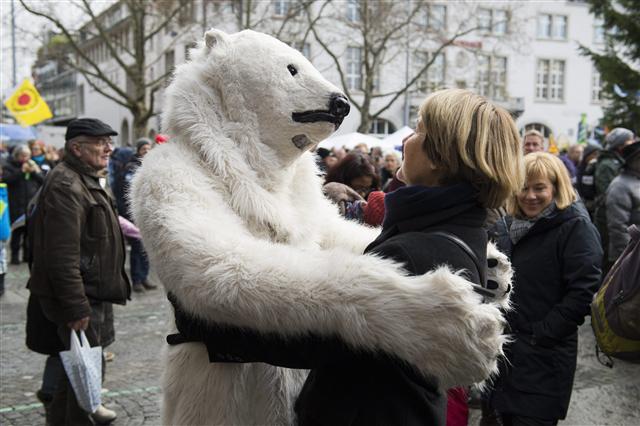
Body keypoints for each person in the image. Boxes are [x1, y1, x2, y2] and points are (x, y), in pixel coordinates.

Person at [167, 88, 524, 425]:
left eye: (418, 131)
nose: (406, 139)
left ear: (439, 158)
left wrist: (205, 317)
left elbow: (317, 338)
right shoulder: (462, 232)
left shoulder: (414, 252)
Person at [25, 118, 131, 425]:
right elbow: (60, 255)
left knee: (78, 374)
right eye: (100, 142)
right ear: (76, 148)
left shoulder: (84, 178)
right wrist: (75, 304)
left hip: (92, 292)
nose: (108, 148)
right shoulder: (66, 185)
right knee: (79, 380)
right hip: (82, 296)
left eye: (109, 142)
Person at [488, 152, 602, 426]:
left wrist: (542, 333)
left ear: (556, 187)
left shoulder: (575, 227)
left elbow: (584, 290)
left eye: (539, 188)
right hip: (507, 355)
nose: (530, 196)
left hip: (544, 357)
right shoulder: (508, 226)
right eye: (524, 187)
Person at [594, 127, 635, 271]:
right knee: (609, 268)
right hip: (607, 222)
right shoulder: (607, 164)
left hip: (615, 220)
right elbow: (608, 194)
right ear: (620, 145)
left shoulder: (619, 162)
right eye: (630, 141)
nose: (633, 143)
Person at [122, 138, 156, 293]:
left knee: (146, 246)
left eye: (149, 148)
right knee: (137, 246)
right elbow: (126, 191)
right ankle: (137, 279)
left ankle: (144, 277)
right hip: (134, 213)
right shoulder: (131, 167)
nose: (147, 152)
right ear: (138, 151)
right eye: (144, 149)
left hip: (148, 212)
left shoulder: (152, 165)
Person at [2, 145, 44, 264]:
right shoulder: (9, 166)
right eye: (23, 156)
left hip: (30, 204)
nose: (26, 158)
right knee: (17, 232)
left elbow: (43, 180)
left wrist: (35, 172)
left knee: (29, 233)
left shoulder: (33, 165)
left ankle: (27, 256)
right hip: (16, 204)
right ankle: (15, 257)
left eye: (28, 156)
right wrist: (21, 171)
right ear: (17, 156)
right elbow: (7, 179)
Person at [605, 141, 640, 264]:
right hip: (628, 259)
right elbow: (618, 228)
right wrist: (632, 257)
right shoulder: (620, 186)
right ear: (633, 161)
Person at [575, 142, 601, 217]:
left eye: (598, 154)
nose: (596, 157)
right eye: (594, 154)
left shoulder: (598, 168)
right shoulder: (581, 169)